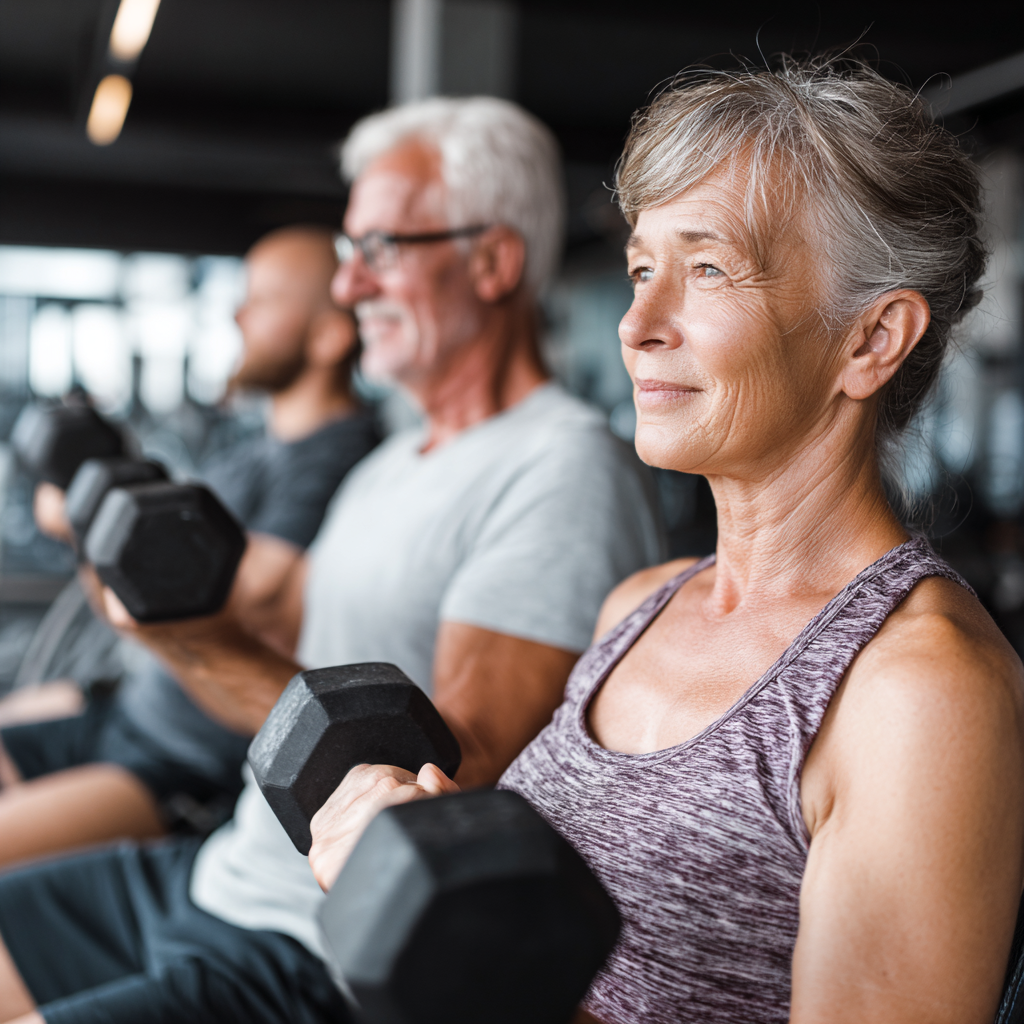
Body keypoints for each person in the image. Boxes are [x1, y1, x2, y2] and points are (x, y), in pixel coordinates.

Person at [305, 59, 1024, 1024]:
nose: (637, 324)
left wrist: (465, 962)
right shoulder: (636, 607)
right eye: (644, 269)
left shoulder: (919, 692)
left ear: (871, 340)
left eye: (710, 267)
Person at [0, 97, 663, 1024]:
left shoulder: (560, 467)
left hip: (313, 955)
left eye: (380, 251)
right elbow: (271, 628)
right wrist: (137, 585)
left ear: (494, 260)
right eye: (348, 255)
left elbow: (456, 768)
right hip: (219, 872)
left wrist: (195, 643)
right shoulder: (389, 463)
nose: (350, 289)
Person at [0, 225, 379, 865]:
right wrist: (93, 528)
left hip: (184, 758)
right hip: (125, 704)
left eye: (261, 299)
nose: (236, 314)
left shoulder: (335, 456)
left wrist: (85, 526)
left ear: (330, 334)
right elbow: (138, 602)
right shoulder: (251, 449)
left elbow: (240, 601)